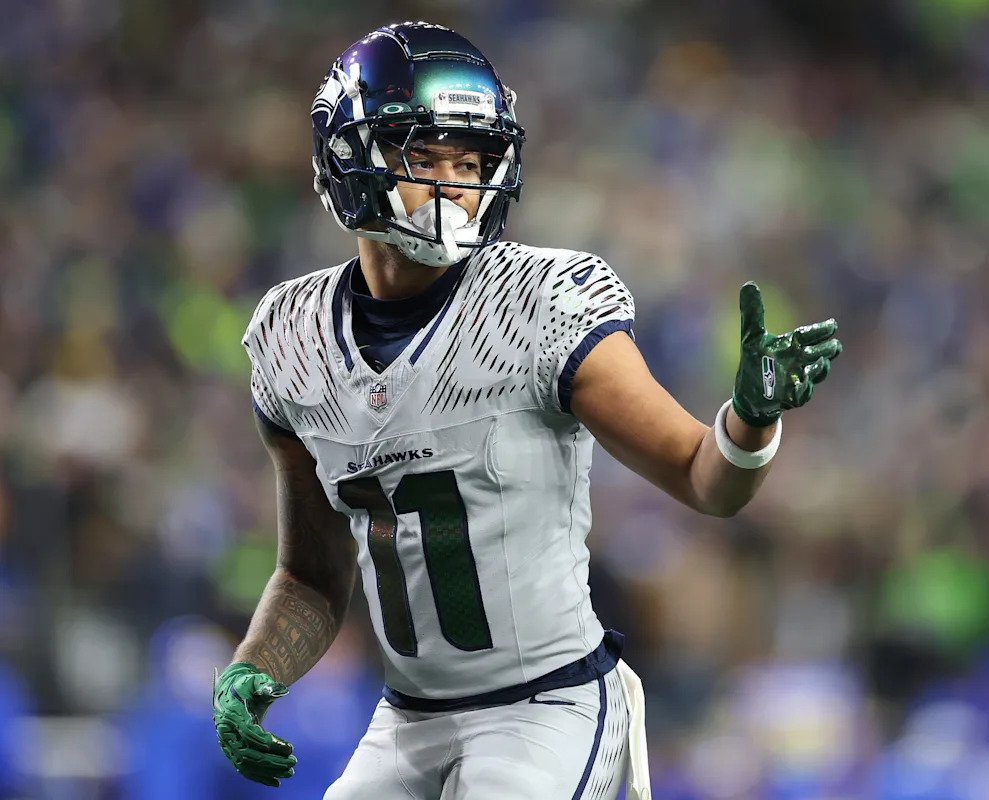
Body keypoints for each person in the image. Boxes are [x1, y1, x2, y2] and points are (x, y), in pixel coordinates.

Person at [211, 20, 842, 799]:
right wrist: (251, 672)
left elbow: (702, 477)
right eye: (425, 157)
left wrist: (750, 418)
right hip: (408, 718)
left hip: (546, 706)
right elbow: (312, 574)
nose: (455, 183)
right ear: (349, 156)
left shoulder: (537, 303)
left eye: (471, 162)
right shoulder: (293, 336)